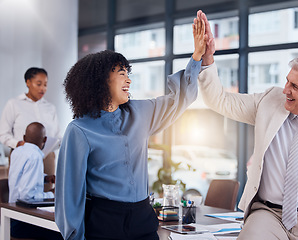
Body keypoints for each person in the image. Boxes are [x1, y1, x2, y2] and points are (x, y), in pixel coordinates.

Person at [195, 10, 298, 240]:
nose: (285, 89)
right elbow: (220, 101)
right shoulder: (269, 101)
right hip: (268, 215)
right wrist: (207, 60)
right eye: (287, 80)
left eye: (295, 86)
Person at [55, 17, 207, 240]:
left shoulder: (141, 112)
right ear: (100, 81)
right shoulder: (79, 131)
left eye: (129, 73)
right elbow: (70, 194)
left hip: (142, 217)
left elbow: (180, 98)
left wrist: (196, 56)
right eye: (121, 74)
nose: (129, 80)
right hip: (104, 221)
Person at [0, 67, 62, 191]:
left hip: (47, 157)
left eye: (45, 84)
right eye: (38, 84)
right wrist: (18, 144)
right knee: (22, 193)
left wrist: (55, 144)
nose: (42, 88)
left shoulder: (50, 107)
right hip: (22, 154)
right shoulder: (14, 104)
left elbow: (57, 135)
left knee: (46, 192)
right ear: (28, 82)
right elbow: (3, 134)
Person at [8, 122, 63, 240]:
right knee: (63, 233)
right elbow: (27, 197)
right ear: (45, 139)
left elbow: (22, 176)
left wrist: (45, 178)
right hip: (24, 223)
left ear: (24, 137)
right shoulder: (35, 156)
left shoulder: (17, 152)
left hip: (13, 219)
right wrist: (52, 194)